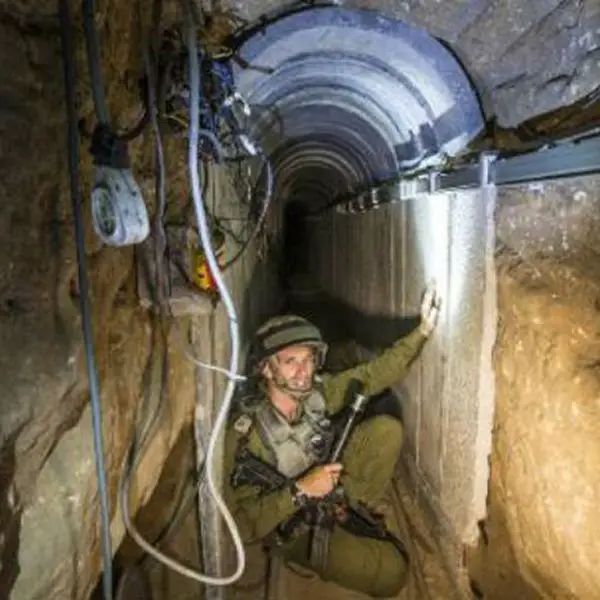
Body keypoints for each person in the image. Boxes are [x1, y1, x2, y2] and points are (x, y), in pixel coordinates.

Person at [223, 286, 441, 597]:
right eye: (290, 361)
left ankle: (352, 506)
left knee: (386, 432)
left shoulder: (317, 394)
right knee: (394, 572)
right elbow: (241, 527)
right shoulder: (246, 434)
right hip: (292, 525)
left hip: (328, 489)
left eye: (308, 360)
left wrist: (421, 333)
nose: (303, 372)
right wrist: (299, 491)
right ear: (267, 369)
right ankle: (309, 551)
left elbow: (373, 374)